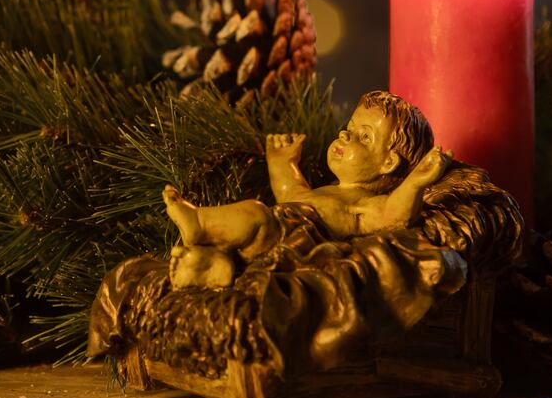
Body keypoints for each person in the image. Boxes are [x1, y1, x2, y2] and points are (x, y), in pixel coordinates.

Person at [164, 91, 451, 288]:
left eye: (364, 137)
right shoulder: (327, 190)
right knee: (249, 225)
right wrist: (282, 163)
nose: (345, 135)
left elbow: (394, 215)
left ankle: (198, 223)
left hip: (291, 243)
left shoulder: (364, 205)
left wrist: (417, 182)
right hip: (275, 231)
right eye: (349, 127)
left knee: (255, 213)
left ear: (389, 163)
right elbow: (292, 194)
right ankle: (207, 265)